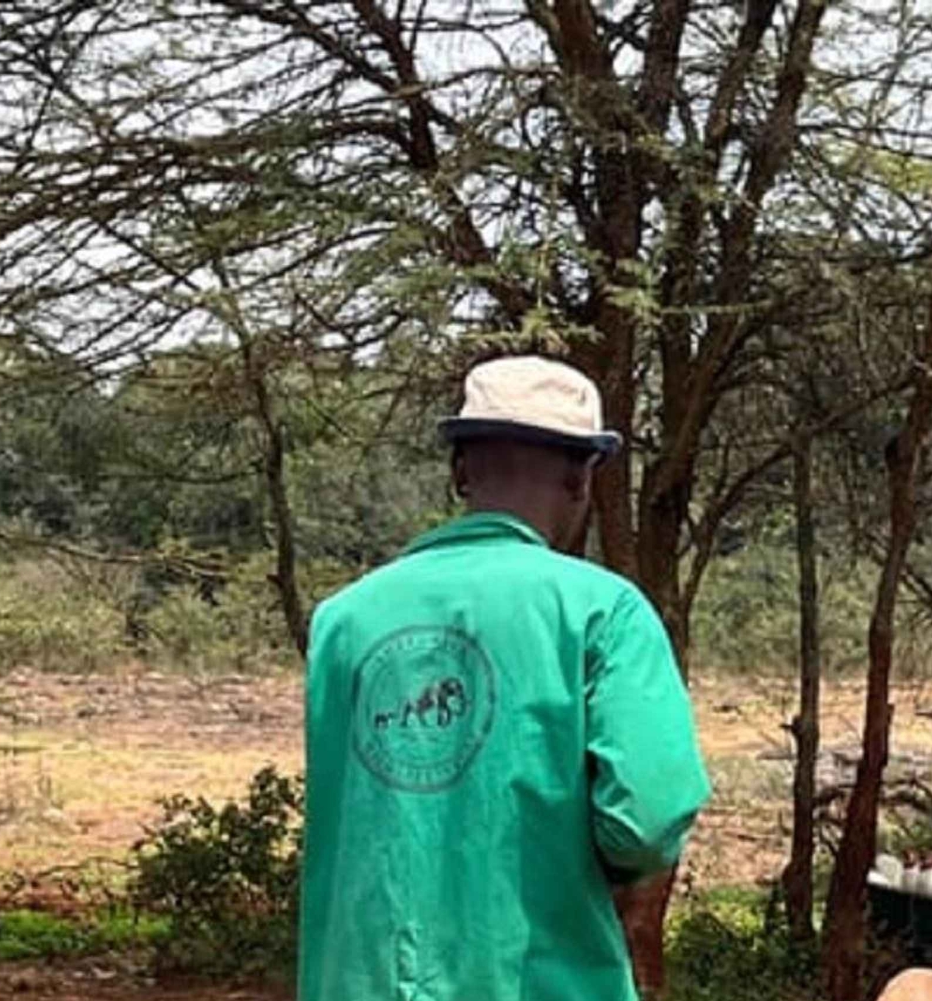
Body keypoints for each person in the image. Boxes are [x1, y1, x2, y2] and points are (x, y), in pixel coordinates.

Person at [298, 355, 711, 1001]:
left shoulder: (342, 620)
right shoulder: (604, 612)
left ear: (460, 470)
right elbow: (647, 822)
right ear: (581, 477)